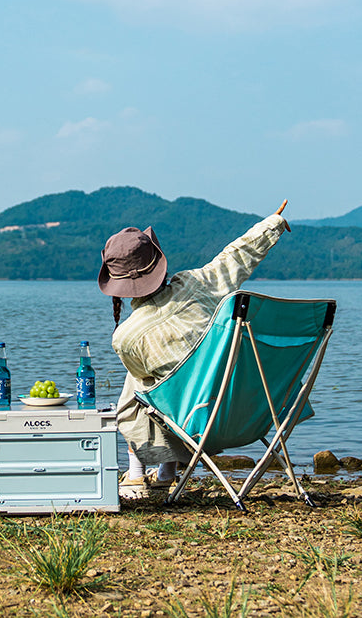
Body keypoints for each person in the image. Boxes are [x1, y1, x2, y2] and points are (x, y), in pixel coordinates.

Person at [98, 201, 291, 499]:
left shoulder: (126, 337)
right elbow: (236, 258)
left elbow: (150, 399)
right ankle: (166, 472)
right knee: (167, 376)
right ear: (158, 265)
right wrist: (271, 224)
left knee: (138, 383)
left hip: (194, 424)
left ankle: (138, 475)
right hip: (250, 411)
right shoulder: (195, 284)